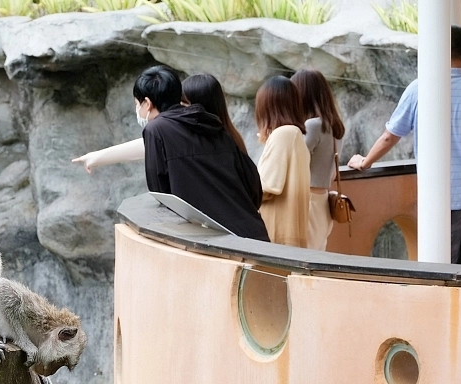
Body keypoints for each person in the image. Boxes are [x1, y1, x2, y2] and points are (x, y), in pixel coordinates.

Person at [348, 25, 461, 263]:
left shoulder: (421, 88)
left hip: (445, 196)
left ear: (438, 50)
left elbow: (390, 135)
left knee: (445, 266)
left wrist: (366, 161)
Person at [123, 65, 270, 241]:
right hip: (254, 233)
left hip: (220, 241)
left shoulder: (156, 129)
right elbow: (253, 186)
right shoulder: (213, 123)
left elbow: (160, 192)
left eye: (137, 104)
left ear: (147, 103)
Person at [71, 72, 247, 172]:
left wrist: (95, 158)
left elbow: (147, 146)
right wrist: (95, 157)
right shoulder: (227, 136)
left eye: (182, 104)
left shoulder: (194, 133)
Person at [291, 69, 346, 251]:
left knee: (302, 258)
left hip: (308, 202)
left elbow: (296, 160)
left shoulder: (312, 126)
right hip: (322, 201)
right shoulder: (334, 125)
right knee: (315, 253)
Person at [255, 76, 312, 248]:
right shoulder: (294, 134)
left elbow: (268, 186)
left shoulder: (283, 134)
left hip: (276, 230)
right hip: (289, 233)